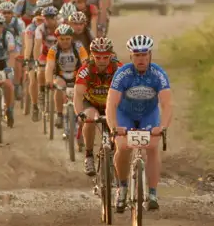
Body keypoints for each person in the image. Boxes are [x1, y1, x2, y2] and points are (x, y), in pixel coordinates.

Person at [106, 34, 172, 212]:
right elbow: (111, 103)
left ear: (150, 55)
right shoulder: (123, 74)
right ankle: (122, 187)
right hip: (124, 115)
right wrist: (114, 127)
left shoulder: (158, 74)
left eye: (144, 55)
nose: (141, 59)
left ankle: (152, 192)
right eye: (137, 55)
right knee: (122, 146)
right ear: (130, 56)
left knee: (152, 147)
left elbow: (167, 104)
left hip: (148, 115)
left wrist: (163, 127)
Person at [74, 37, 120, 176]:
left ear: (111, 55)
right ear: (92, 56)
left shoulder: (119, 69)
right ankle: (88, 155)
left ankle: (116, 153)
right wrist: (79, 114)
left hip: (113, 104)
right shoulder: (85, 70)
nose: (101, 61)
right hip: (92, 103)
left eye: (105, 57)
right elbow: (77, 95)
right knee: (89, 118)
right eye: (97, 57)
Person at [44, 24, 89, 131]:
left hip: (76, 74)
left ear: (71, 38)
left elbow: (85, 63)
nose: (65, 41)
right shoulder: (53, 49)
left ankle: (81, 115)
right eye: (62, 39)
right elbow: (49, 66)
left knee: (81, 93)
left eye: (67, 39)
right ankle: (59, 114)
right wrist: (49, 80)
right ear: (57, 38)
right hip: (61, 75)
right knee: (59, 88)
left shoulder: (78, 47)